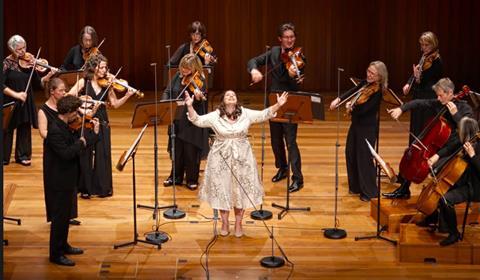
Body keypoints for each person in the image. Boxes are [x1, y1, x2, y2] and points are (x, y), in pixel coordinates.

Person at [186, 90, 289, 237]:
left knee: (240, 191)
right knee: (223, 190)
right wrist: (190, 106)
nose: (230, 96)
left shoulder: (245, 113)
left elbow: (263, 114)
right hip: (220, 157)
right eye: (227, 95)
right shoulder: (215, 115)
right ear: (223, 100)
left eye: (233, 95)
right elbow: (197, 120)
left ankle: (239, 223)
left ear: (236, 100)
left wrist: (278, 105)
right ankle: (225, 222)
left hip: (242, 157)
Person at [385, 78, 473, 198]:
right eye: (437, 95)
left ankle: (443, 198)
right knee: (415, 155)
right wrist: (401, 109)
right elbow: (418, 102)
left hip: (453, 148)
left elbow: (468, 133)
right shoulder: (440, 103)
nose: (438, 99)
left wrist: (456, 115)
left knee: (434, 168)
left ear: (450, 93)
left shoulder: (465, 108)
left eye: (441, 95)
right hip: (437, 143)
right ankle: (404, 189)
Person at [247, 22, 306, 193]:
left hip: (290, 100)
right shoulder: (273, 52)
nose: (290, 40)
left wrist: (294, 75)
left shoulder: (299, 56)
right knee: (275, 139)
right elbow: (253, 61)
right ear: (280, 39)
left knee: (291, 141)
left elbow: (298, 76)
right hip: (274, 100)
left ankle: (298, 178)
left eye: (292, 37)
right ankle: (282, 168)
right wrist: (254, 71)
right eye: (286, 37)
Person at [383, 31, 443, 199]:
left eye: (426, 45)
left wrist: (417, 78)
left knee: (418, 142)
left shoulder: (437, 62)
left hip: (426, 104)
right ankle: (404, 180)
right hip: (418, 101)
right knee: (413, 141)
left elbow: (430, 83)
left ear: (433, 45)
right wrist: (409, 83)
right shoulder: (424, 58)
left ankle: (406, 183)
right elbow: (416, 75)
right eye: (422, 45)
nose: (423, 48)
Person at [68, 54, 134, 197]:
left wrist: (127, 95)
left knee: (103, 154)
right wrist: (81, 106)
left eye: (106, 67)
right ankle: (85, 188)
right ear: (94, 67)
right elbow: (68, 97)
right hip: (86, 122)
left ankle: (102, 187)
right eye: (102, 67)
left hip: (102, 121)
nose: (105, 70)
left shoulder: (108, 84)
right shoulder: (83, 82)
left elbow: (115, 104)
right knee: (85, 154)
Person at [45, 95, 99, 266]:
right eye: (75, 111)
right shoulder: (55, 130)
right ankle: (55, 254)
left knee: (65, 216)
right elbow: (67, 153)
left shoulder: (66, 126)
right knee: (59, 219)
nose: (78, 114)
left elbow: (80, 146)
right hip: (59, 181)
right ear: (67, 112)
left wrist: (93, 134)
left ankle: (64, 245)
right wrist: (81, 142)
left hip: (68, 178)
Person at [329, 61, 388, 201]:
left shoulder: (378, 91)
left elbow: (366, 110)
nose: (369, 75)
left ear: (380, 77)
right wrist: (339, 99)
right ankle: (356, 186)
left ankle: (369, 191)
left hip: (367, 128)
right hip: (356, 125)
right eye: (368, 71)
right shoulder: (364, 84)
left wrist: (352, 107)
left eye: (373, 73)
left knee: (364, 158)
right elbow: (352, 92)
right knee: (350, 152)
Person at [2, 34, 56, 166]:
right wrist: (16, 95)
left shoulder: (29, 63)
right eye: (19, 49)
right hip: (10, 100)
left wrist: (49, 75)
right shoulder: (6, 64)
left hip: (25, 101)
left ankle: (23, 155)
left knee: (25, 127)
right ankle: (4, 156)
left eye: (24, 47)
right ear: (12, 49)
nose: (23, 51)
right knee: (7, 128)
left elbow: (39, 84)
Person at [162, 54, 208, 190]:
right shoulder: (177, 77)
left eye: (187, 69)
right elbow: (168, 91)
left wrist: (199, 97)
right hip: (177, 117)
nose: (184, 71)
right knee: (177, 149)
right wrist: (164, 101)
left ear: (195, 68)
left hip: (191, 120)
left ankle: (191, 178)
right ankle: (175, 176)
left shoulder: (200, 80)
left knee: (190, 150)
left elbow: (202, 97)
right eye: (183, 68)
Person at [38, 78, 81, 225]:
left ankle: (69, 215)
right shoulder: (43, 110)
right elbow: (43, 132)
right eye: (61, 90)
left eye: (64, 90)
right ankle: (56, 217)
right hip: (53, 150)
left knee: (68, 182)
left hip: (67, 145)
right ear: (52, 91)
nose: (64, 92)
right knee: (54, 185)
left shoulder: (65, 107)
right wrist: (58, 137)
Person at [434, 117, 480, 246]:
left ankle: (454, 233)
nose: (458, 131)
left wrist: (473, 156)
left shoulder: (477, 148)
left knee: (446, 199)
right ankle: (440, 223)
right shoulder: (466, 143)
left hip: (475, 188)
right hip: (465, 182)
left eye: (460, 129)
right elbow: (450, 154)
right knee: (440, 189)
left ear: (465, 132)